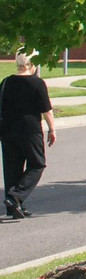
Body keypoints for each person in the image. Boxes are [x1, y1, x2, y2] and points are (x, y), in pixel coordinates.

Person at [1, 50, 57, 219]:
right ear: (32, 64)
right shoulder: (37, 83)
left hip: (7, 130)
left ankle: (14, 206)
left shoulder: (6, 82)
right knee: (37, 164)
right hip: (30, 130)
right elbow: (47, 110)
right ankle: (15, 196)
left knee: (12, 168)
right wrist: (52, 129)